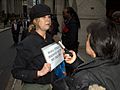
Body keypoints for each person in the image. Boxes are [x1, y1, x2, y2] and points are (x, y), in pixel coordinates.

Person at [53, 20, 120, 90]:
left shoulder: (83, 78)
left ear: (95, 43)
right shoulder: (114, 63)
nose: (86, 41)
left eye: (87, 37)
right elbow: (97, 71)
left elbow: (86, 78)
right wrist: (75, 62)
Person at [11, 4, 56, 90]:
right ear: (35, 21)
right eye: (43, 17)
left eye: (49, 17)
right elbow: (16, 72)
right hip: (34, 86)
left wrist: (59, 54)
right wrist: (38, 73)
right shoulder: (26, 43)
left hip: (50, 84)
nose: (48, 20)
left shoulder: (50, 39)